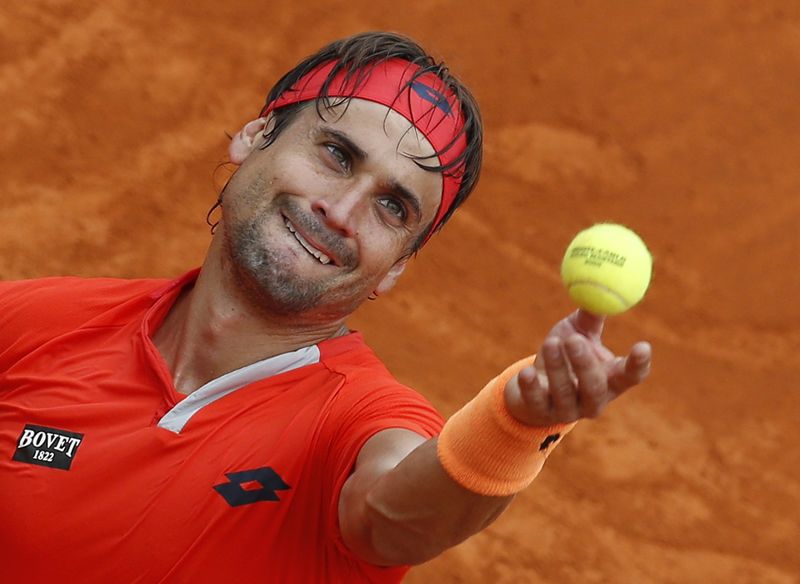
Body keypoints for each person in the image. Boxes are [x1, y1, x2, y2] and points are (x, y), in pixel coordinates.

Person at [0, 31, 652, 583]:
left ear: (394, 268)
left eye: (391, 207)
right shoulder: (36, 323)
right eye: (336, 155)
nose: (340, 213)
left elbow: (395, 517)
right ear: (256, 135)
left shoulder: (359, 421)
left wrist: (513, 424)